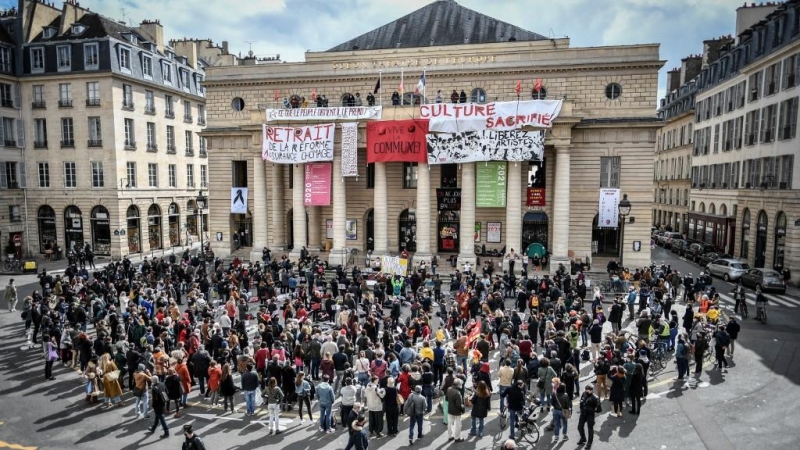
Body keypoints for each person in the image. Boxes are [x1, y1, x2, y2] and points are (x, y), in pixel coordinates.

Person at [577, 384, 599, 449]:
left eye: (588, 390)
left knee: (590, 429)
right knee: (579, 427)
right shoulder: (584, 394)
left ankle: (589, 443)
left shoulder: (595, 398)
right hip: (583, 413)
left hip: (590, 415)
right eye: (586, 389)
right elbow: (581, 402)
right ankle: (583, 438)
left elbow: (598, 409)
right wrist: (581, 408)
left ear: (592, 390)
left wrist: (593, 409)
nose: (586, 391)